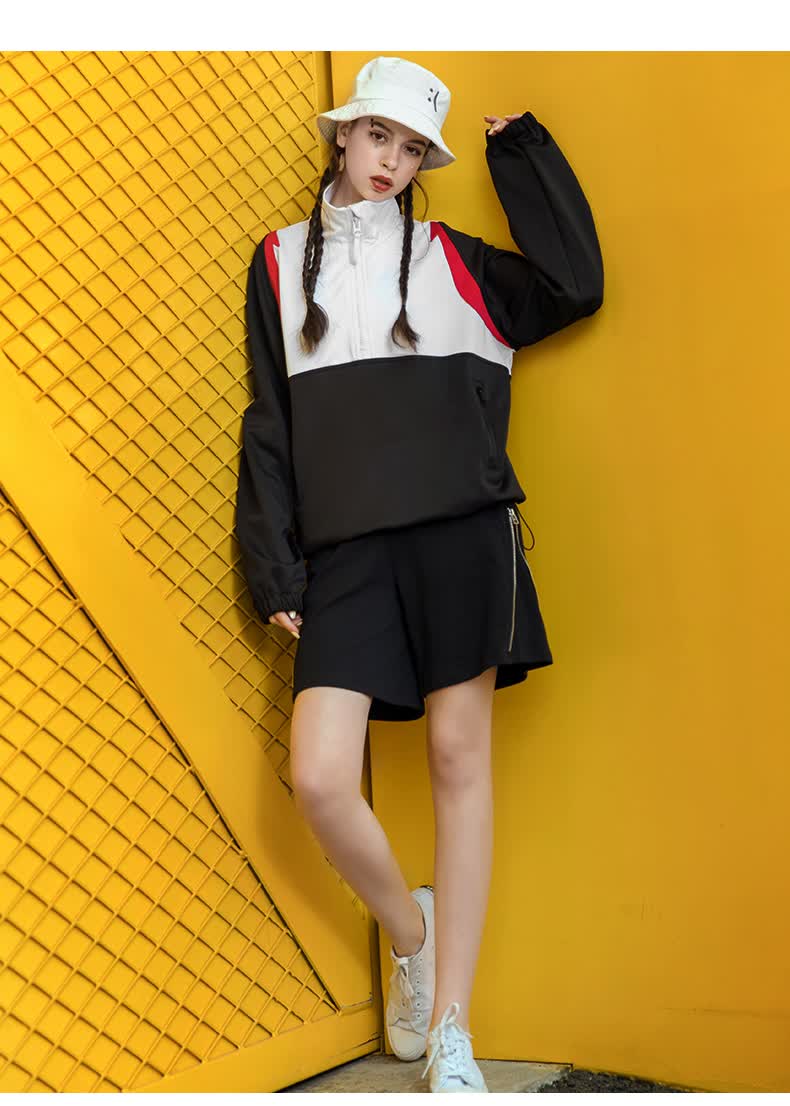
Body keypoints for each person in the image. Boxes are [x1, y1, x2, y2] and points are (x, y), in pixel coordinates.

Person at [235, 55, 604, 1092]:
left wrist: (522, 154)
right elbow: (271, 417)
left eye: (410, 148)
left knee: (456, 757)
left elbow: (575, 286)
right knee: (318, 776)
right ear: (341, 136)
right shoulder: (279, 261)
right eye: (377, 136)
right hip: (347, 550)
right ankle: (411, 933)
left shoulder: (455, 262)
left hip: (461, 536)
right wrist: (274, 563)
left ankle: (451, 1030)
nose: (391, 160)